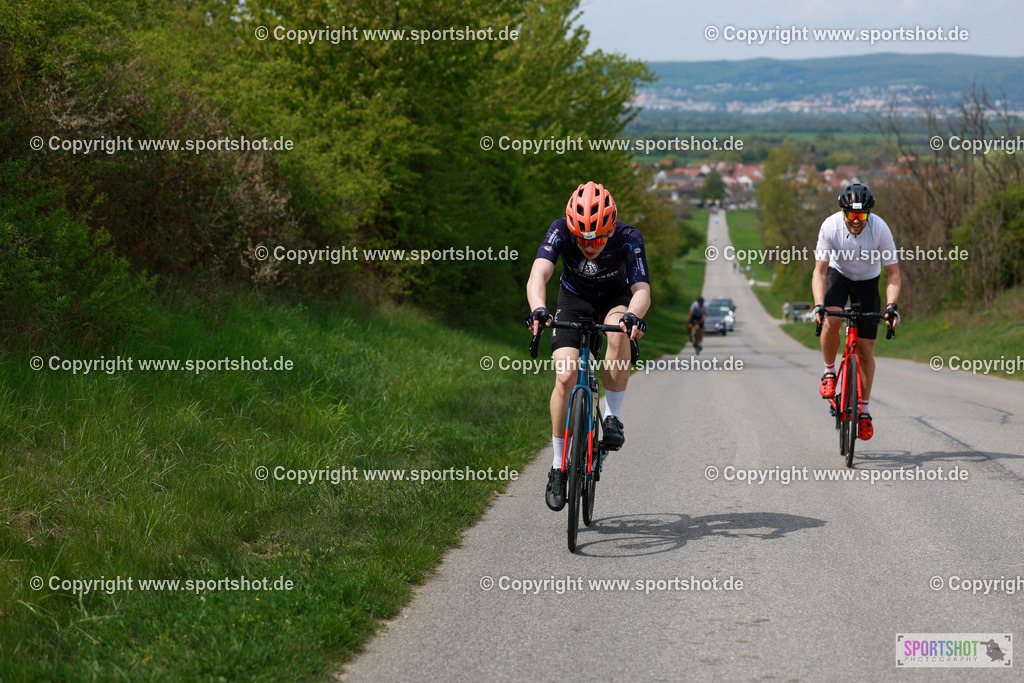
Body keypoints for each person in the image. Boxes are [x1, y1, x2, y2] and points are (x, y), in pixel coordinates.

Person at [526, 182, 650, 511]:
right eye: (582, 238)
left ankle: (612, 418)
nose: (590, 245)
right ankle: (557, 467)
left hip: (614, 300)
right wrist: (539, 308)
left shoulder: (628, 237)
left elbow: (641, 289)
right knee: (565, 378)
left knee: (619, 332)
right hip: (574, 300)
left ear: (611, 229)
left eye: (597, 238)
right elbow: (539, 273)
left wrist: (634, 316)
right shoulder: (560, 231)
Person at [812, 183, 901, 440]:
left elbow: (893, 273)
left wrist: (891, 307)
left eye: (861, 215)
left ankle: (863, 411)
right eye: (851, 214)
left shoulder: (880, 229)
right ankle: (830, 371)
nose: (856, 220)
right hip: (838, 276)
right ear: (843, 212)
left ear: (869, 214)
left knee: (865, 349)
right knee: (831, 320)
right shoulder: (830, 227)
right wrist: (819, 305)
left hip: (868, 283)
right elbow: (819, 272)